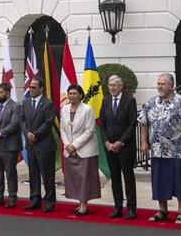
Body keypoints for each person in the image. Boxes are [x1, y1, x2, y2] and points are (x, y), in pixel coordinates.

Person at [138, 72, 181, 225]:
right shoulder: (151, 102)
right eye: (158, 83)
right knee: (159, 181)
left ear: (172, 86)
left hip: (178, 150)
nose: (159, 86)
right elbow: (144, 122)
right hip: (158, 150)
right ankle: (162, 210)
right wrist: (143, 142)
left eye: (162, 83)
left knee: (180, 180)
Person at [98, 73, 138, 219]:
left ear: (120, 86)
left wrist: (121, 142)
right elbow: (102, 124)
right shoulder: (105, 101)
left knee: (128, 178)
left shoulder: (129, 101)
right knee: (115, 179)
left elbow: (132, 123)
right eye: (109, 85)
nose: (111, 88)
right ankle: (117, 207)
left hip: (125, 147)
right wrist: (106, 142)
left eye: (114, 85)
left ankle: (131, 209)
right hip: (110, 148)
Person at [60, 82, 100, 215]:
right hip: (70, 150)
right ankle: (80, 202)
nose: (71, 96)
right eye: (70, 93)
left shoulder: (87, 109)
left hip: (85, 150)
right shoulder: (64, 109)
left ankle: (84, 204)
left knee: (85, 178)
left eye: (74, 93)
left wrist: (74, 145)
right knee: (75, 178)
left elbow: (90, 131)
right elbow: (62, 129)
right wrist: (67, 145)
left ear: (80, 95)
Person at [21, 76, 57, 213]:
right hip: (31, 145)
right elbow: (22, 120)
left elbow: (48, 124)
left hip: (45, 145)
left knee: (47, 176)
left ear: (41, 89)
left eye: (34, 87)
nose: (30, 89)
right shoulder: (25, 103)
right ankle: (35, 200)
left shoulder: (48, 104)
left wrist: (34, 135)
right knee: (33, 174)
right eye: (29, 87)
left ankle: (49, 202)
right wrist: (27, 133)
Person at [0, 81, 23, 208]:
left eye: (0, 92)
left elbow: (14, 125)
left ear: (7, 93)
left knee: (10, 172)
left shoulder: (16, 107)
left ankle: (12, 198)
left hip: (9, 146)